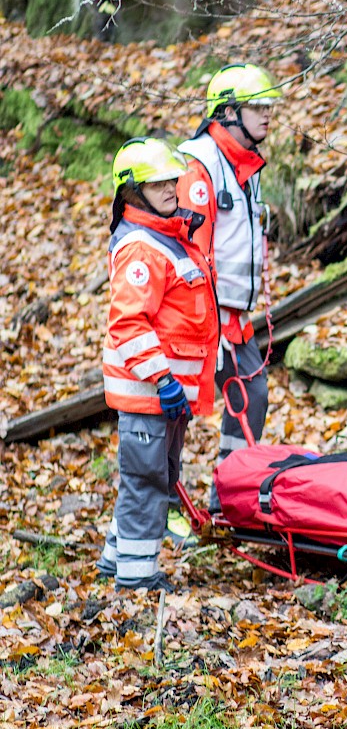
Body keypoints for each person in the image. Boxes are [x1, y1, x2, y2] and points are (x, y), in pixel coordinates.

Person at [97, 137, 219, 591]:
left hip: (169, 395)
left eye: (172, 179)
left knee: (154, 478)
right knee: (147, 482)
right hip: (150, 392)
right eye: (158, 182)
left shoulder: (169, 237)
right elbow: (129, 325)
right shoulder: (142, 249)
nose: (172, 188)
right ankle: (136, 577)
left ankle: (116, 558)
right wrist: (164, 380)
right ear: (132, 191)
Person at [176, 63, 281, 528]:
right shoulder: (200, 166)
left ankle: (228, 496)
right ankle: (159, 510)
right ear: (228, 113)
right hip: (197, 318)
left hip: (233, 316)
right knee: (172, 413)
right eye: (258, 108)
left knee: (251, 397)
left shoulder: (246, 165)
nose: (267, 116)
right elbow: (189, 254)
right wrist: (208, 321)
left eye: (269, 107)